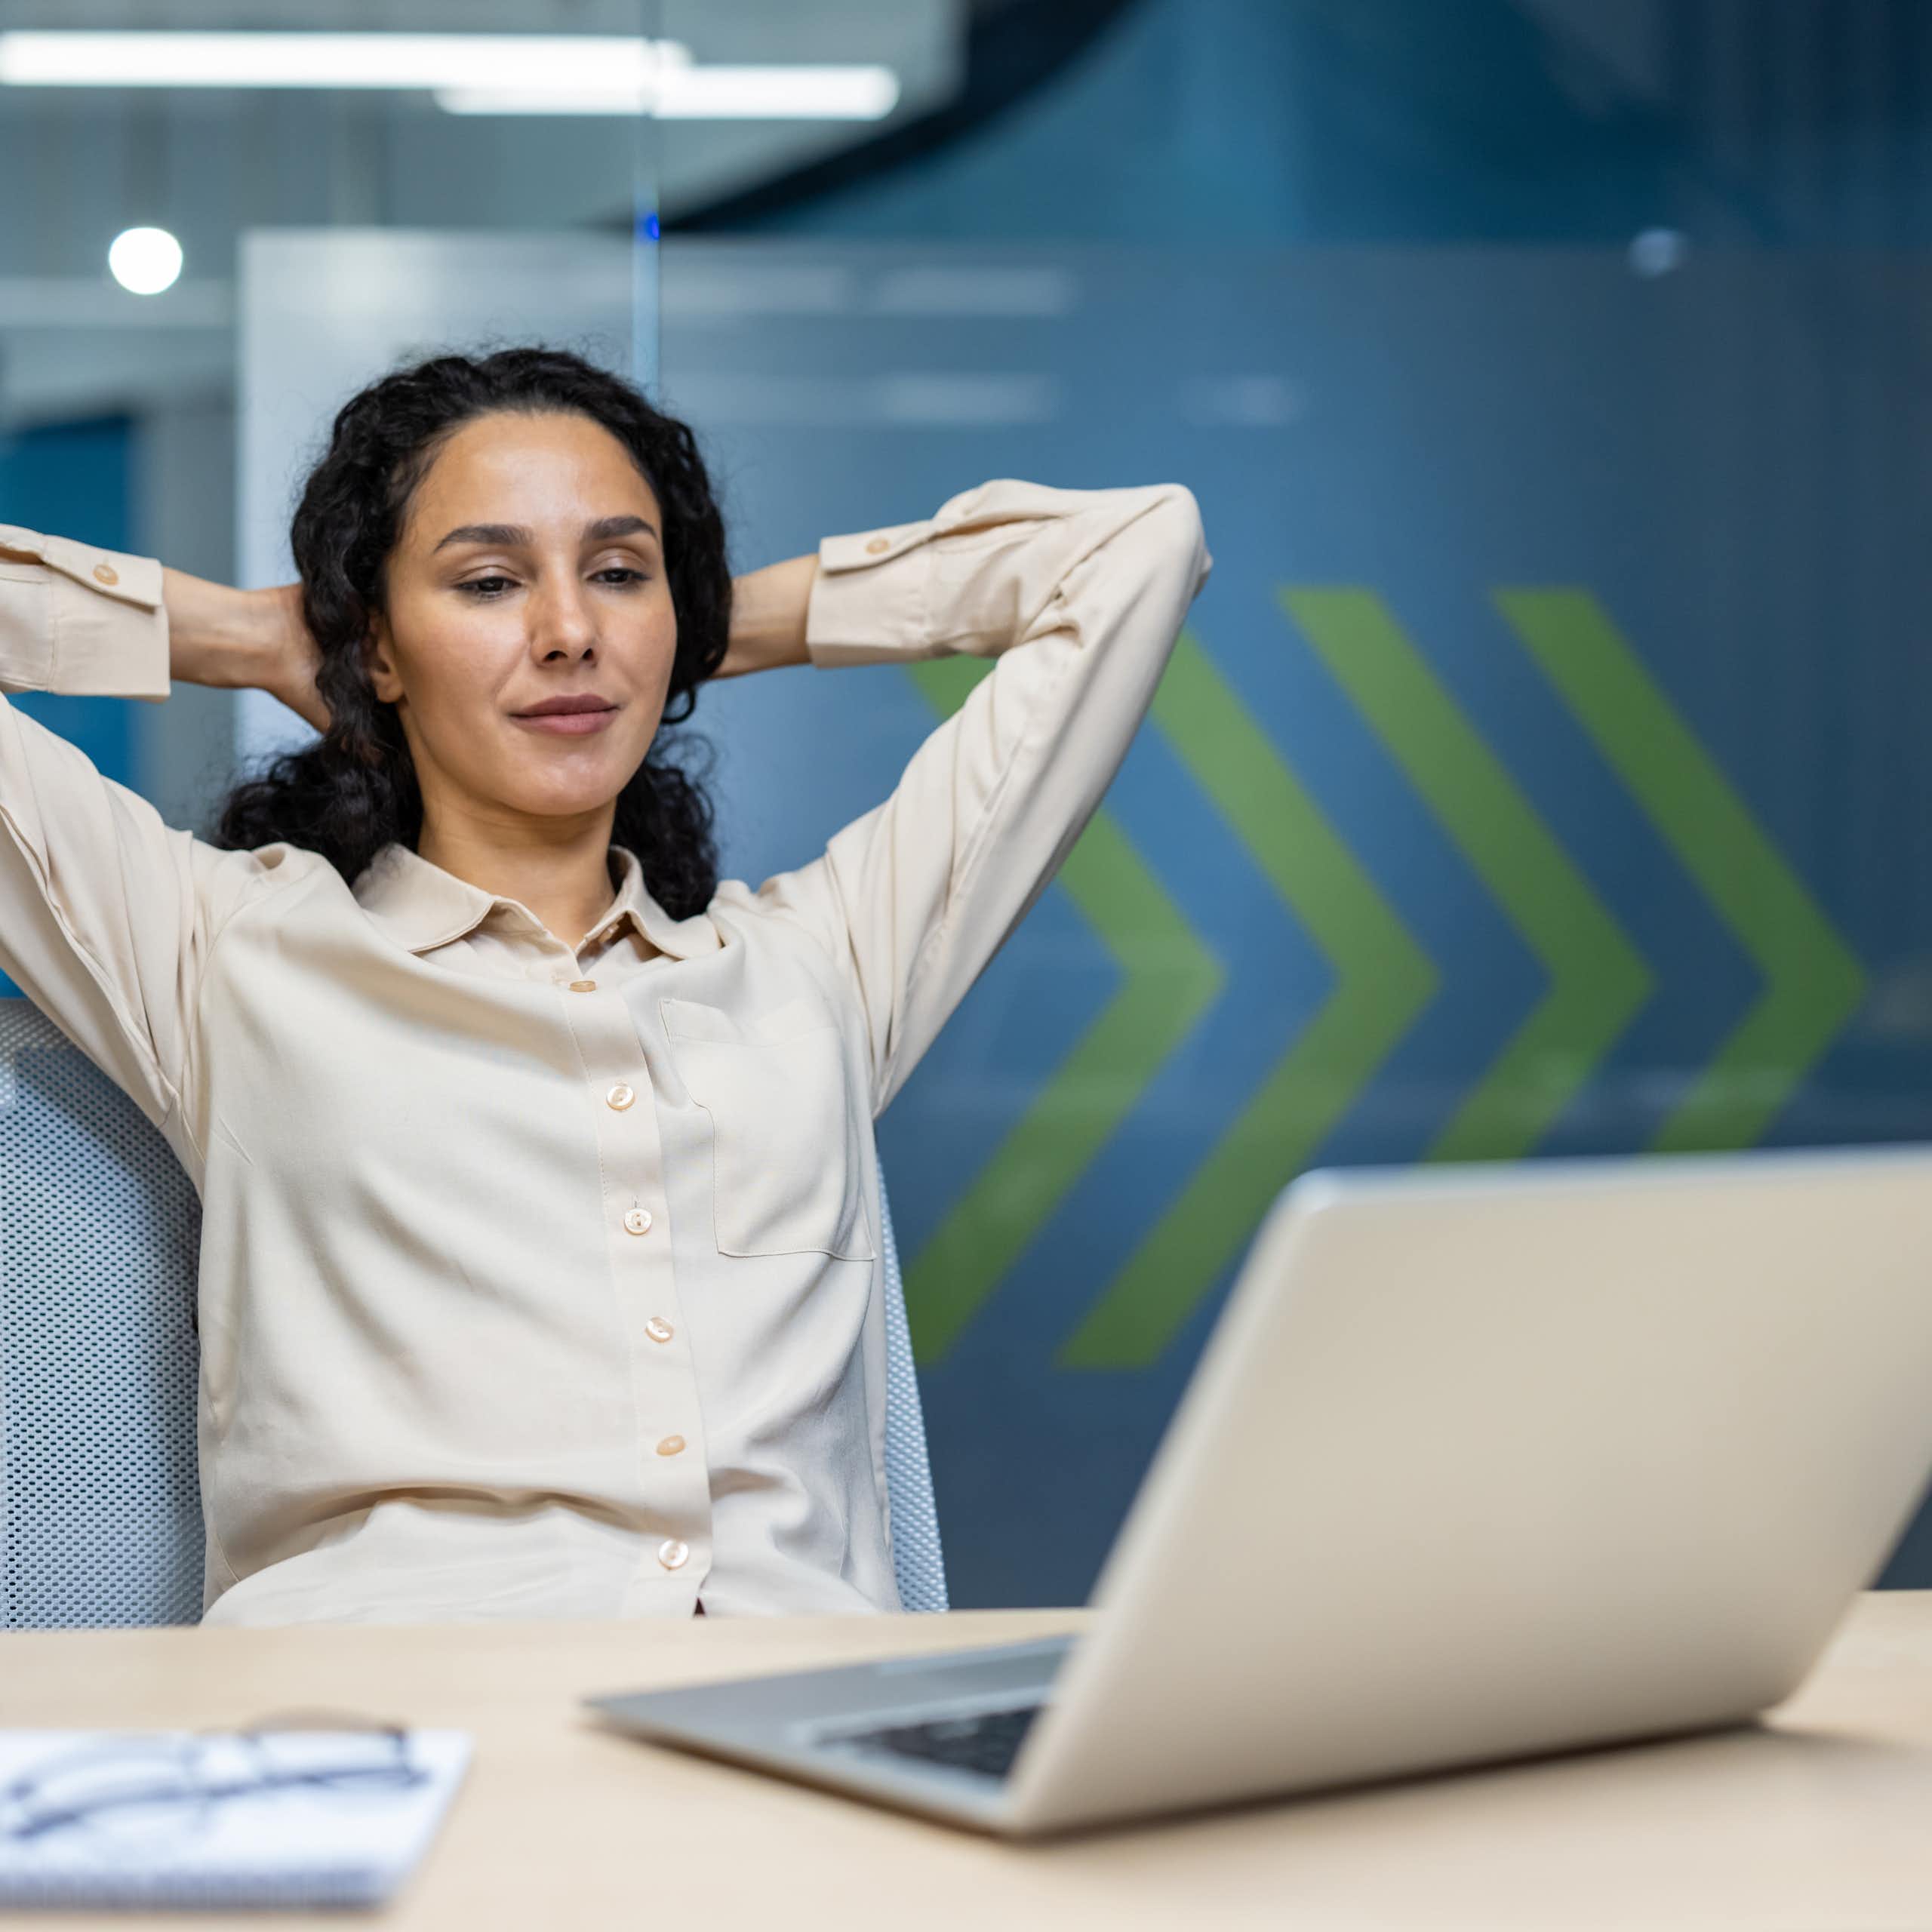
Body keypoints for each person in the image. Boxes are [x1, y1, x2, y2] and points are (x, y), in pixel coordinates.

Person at [0, 346, 1211, 1626]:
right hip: (386, 1719)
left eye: (618, 574)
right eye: (487, 581)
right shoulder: (226, 955)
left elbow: (1136, 550)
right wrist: (254, 635)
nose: (570, 632)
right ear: (381, 646)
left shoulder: (817, 969)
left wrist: (700, 628)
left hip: (783, 1729)